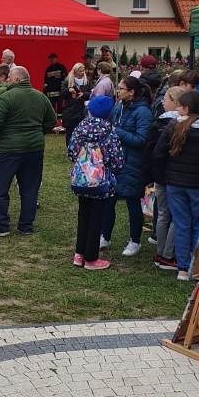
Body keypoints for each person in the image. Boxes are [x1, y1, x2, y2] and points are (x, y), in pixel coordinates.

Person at [153, 90, 199, 280]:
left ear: (186, 108)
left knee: (181, 224)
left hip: (176, 185)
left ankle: (183, 268)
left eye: (179, 106)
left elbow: (159, 154)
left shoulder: (173, 126)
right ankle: (196, 265)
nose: (177, 109)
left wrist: (165, 176)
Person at [0, 65, 56, 236]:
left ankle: (1, 225)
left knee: (0, 188)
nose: (7, 80)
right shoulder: (41, 97)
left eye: (10, 77)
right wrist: (38, 132)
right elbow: (51, 120)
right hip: (34, 149)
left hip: (8, 150)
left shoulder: (6, 97)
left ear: (17, 79)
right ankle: (26, 225)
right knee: (30, 189)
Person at [68, 96, 124, 271]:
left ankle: (79, 253)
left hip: (82, 179)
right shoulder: (109, 132)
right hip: (101, 181)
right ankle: (91, 258)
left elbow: (71, 152)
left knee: (83, 213)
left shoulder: (80, 128)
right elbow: (117, 159)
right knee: (96, 217)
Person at [101, 76, 153, 256]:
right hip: (115, 161)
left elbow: (141, 139)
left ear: (131, 92)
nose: (118, 91)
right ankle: (105, 236)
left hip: (133, 163)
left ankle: (135, 241)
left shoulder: (143, 112)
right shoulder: (119, 106)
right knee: (109, 200)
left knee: (132, 202)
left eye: (122, 88)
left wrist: (118, 132)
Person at [144, 86, 184, 271]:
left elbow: (151, 152)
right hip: (176, 177)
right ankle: (168, 253)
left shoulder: (159, 124)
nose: (162, 101)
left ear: (176, 102)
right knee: (175, 215)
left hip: (161, 176)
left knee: (163, 214)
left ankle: (161, 252)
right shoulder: (184, 125)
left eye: (166, 98)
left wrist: (153, 173)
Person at [60, 65, 90, 146]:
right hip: (70, 111)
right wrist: (68, 90)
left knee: (82, 133)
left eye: (83, 71)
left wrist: (84, 94)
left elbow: (91, 93)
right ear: (75, 71)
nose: (82, 73)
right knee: (70, 133)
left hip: (82, 111)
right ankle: (70, 149)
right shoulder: (67, 81)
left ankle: (80, 149)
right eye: (80, 71)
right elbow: (61, 94)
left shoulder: (87, 81)